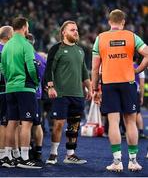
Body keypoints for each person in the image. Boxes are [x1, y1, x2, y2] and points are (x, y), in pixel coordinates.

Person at [92, 9, 148, 172]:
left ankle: (117, 162)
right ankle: (133, 161)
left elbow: (95, 68)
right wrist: (137, 71)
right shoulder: (131, 36)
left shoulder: (100, 39)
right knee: (130, 122)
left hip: (109, 83)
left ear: (109, 22)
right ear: (123, 22)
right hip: (128, 82)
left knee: (114, 122)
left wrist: (95, 88)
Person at [44, 20, 91, 165]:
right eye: (72, 30)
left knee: (74, 125)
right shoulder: (56, 49)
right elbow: (49, 69)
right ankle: (53, 154)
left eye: (76, 29)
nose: (76, 32)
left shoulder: (80, 50)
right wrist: (51, 87)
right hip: (61, 94)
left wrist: (89, 88)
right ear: (63, 32)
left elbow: (84, 72)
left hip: (77, 94)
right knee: (58, 124)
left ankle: (70, 155)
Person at [1, 17, 42, 169]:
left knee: (11, 122)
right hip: (25, 87)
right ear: (24, 27)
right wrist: (36, 82)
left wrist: (9, 82)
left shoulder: (6, 46)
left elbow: (2, 68)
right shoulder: (26, 44)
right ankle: (24, 159)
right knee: (26, 123)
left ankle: (10, 155)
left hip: (10, 88)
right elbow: (31, 67)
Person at [26, 33, 47, 162]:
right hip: (38, 95)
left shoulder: (21, 56)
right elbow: (45, 78)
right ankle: (38, 152)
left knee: (24, 124)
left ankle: (26, 150)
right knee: (37, 124)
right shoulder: (41, 58)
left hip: (25, 93)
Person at [0, 26, 14, 165]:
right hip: (5, 90)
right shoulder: (7, 50)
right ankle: (4, 155)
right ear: (9, 37)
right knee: (5, 123)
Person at [134, 60, 146, 138]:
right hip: (135, 92)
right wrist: (141, 97)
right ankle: (141, 132)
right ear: (137, 59)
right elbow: (142, 85)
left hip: (123, 91)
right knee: (137, 112)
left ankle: (124, 131)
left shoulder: (124, 66)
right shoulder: (140, 68)